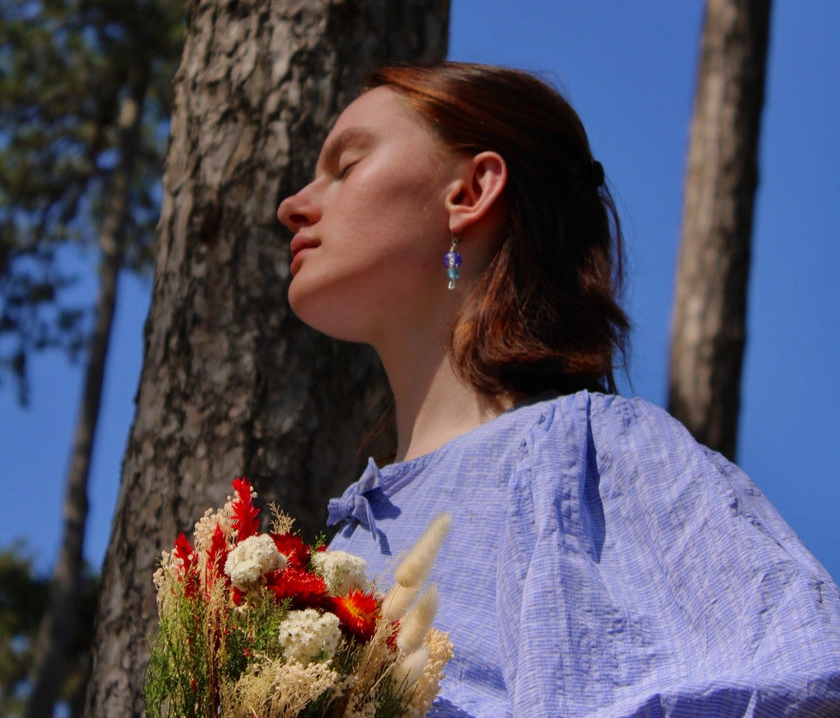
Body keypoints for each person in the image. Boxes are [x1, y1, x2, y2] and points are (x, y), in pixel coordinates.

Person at [276, 62, 840, 717]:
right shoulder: (340, 547)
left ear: (471, 191)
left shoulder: (586, 461)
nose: (293, 205)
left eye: (346, 166)